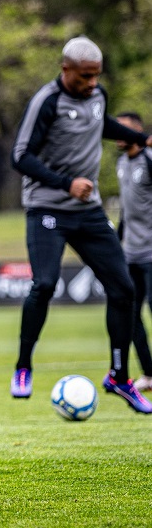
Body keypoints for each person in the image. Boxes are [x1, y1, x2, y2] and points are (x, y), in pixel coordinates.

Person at [10, 36, 152, 413]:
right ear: (65, 69)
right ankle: (23, 366)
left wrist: (142, 138)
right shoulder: (47, 101)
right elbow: (20, 156)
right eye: (84, 77)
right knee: (44, 284)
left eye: (95, 77)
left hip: (86, 211)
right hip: (47, 208)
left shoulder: (97, 96)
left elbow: (99, 124)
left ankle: (119, 377)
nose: (91, 84)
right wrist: (65, 183)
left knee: (123, 289)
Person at [115, 112, 152, 391]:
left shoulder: (148, 159)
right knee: (129, 314)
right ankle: (149, 374)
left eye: (123, 129)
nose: (117, 133)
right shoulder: (120, 163)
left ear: (138, 132)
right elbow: (127, 212)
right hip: (130, 253)